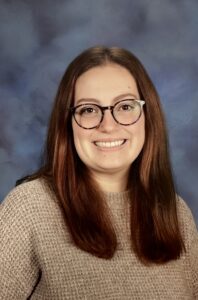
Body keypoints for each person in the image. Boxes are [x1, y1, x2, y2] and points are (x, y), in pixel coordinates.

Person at [0, 46, 197, 299]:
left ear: (148, 117)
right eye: (89, 110)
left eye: (125, 106)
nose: (108, 125)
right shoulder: (29, 207)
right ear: (67, 125)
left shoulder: (175, 213)